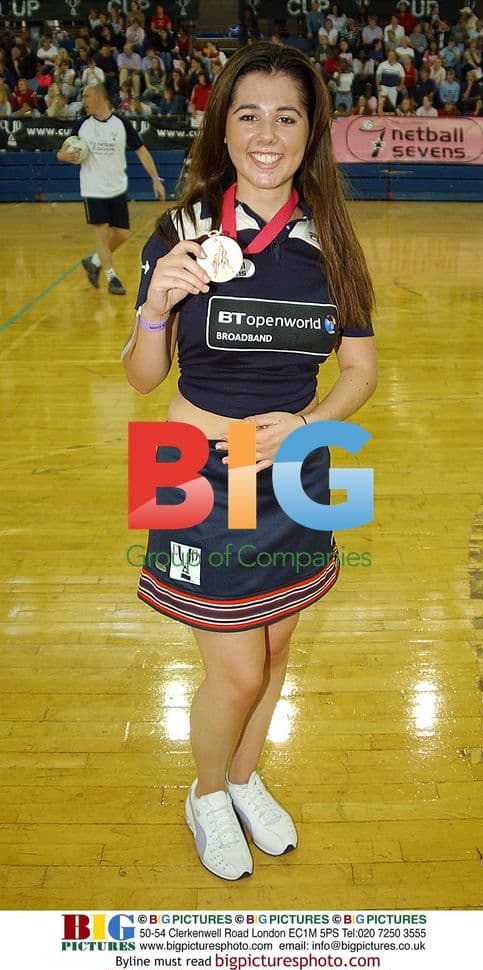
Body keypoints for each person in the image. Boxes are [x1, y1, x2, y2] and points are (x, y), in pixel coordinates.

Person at [122, 42, 376, 881]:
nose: (266, 133)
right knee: (233, 671)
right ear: (223, 129)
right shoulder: (182, 230)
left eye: (287, 116)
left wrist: (305, 424)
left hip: (301, 464)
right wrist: (156, 308)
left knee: (274, 653)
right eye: (248, 114)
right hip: (189, 460)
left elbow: (362, 373)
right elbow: (141, 377)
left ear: (311, 133)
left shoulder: (332, 239)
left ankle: (242, 775)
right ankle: (204, 795)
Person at [57, 83, 165, 295]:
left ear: (100, 97)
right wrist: (64, 156)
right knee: (102, 233)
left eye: (87, 96)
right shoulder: (82, 125)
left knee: (123, 234)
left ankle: (95, 261)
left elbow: (142, 151)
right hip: (92, 189)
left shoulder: (121, 124)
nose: (83, 100)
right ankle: (111, 277)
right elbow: (61, 151)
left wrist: (155, 178)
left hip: (117, 187)